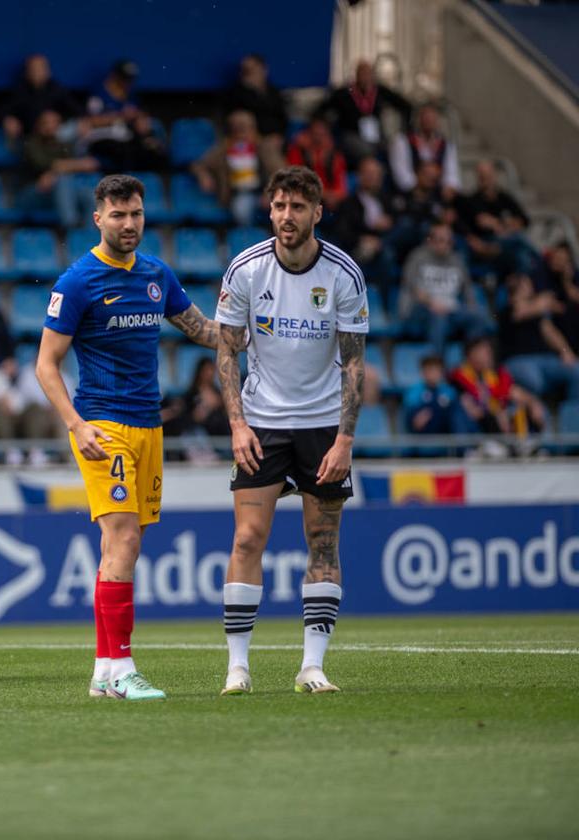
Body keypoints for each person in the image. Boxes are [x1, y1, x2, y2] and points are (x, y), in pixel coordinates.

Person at [35, 174, 219, 701]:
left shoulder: (157, 274)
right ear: (98, 219)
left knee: (119, 545)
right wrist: (75, 423)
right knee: (124, 539)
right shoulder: (78, 281)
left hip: (149, 426)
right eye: (118, 215)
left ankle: (101, 671)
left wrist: (254, 327)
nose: (129, 223)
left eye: (136, 213)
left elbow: (201, 329)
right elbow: (46, 365)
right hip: (102, 425)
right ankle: (123, 669)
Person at [214, 165, 368, 696]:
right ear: (270, 210)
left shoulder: (343, 274)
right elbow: (227, 350)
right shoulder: (247, 270)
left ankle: (312, 666)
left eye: (297, 207)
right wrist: (236, 424)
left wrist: (345, 439)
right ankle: (238, 668)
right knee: (247, 538)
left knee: (322, 541)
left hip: (324, 425)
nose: (286, 216)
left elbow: (353, 364)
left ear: (316, 214)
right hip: (262, 425)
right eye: (279, 206)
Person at [399, 222, 487, 355]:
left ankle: (470, 364)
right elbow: (413, 288)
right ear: (430, 240)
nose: (445, 245)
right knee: (439, 318)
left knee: (478, 317)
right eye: (440, 240)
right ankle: (438, 364)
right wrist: (432, 303)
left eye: (449, 241)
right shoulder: (418, 257)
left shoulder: (457, 260)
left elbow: (467, 290)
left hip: (450, 308)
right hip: (420, 308)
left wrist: (471, 307)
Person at [192, 109, 282, 227]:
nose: (242, 135)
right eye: (237, 130)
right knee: (242, 208)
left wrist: (270, 193)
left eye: (245, 129)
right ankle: (248, 237)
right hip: (240, 194)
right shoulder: (224, 149)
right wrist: (204, 176)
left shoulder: (264, 147)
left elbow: (281, 171)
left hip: (264, 192)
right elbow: (198, 165)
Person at [499, 273, 579, 400]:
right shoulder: (507, 310)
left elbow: (551, 333)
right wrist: (544, 302)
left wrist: (566, 351)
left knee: (576, 370)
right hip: (518, 360)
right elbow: (520, 312)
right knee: (534, 381)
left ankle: (570, 417)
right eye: (526, 283)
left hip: (544, 359)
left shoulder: (538, 311)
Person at [314, 59, 411, 164]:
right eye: (362, 73)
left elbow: (405, 105)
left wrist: (403, 129)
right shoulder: (344, 93)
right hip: (351, 136)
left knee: (396, 147)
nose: (365, 77)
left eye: (368, 73)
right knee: (366, 150)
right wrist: (324, 131)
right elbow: (321, 110)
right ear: (356, 74)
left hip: (376, 136)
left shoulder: (380, 91)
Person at [17, 109, 99, 228]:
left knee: (89, 196)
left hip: (59, 192)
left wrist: (56, 172)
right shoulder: (31, 143)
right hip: (32, 192)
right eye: (46, 123)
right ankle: (71, 225)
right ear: (38, 125)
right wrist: (71, 167)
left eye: (55, 122)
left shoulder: (63, 144)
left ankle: (87, 236)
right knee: (63, 179)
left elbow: (86, 165)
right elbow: (49, 164)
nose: (51, 126)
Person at [458, 160, 538, 280]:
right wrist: (506, 223)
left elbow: (524, 220)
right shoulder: (472, 200)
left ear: (495, 176)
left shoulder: (504, 197)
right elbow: (481, 222)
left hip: (508, 241)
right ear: (477, 177)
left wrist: (500, 225)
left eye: (488, 175)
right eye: (482, 175)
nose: (485, 179)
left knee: (521, 252)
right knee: (520, 243)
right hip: (488, 241)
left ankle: (523, 282)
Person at [331, 156, 400, 294]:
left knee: (390, 250)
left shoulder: (389, 201)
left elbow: (399, 227)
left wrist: (385, 231)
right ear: (359, 176)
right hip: (358, 248)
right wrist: (363, 238)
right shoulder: (348, 203)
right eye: (369, 174)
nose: (373, 178)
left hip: (384, 245)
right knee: (372, 253)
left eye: (376, 174)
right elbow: (342, 232)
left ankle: (384, 303)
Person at [451, 335, 543, 436]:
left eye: (489, 351)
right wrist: (496, 413)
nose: (489, 354)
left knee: (524, 408)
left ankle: (526, 444)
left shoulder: (495, 375)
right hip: (478, 429)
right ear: (471, 354)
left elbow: (515, 393)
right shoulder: (458, 379)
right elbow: (471, 409)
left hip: (500, 423)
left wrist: (533, 403)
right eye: (484, 351)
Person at [0, 53, 83, 142]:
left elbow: (77, 110)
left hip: (56, 138)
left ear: (48, 72)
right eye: (32, 69)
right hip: (29, 138)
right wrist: (7, 119)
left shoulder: (57, 90)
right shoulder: (19, 91)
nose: (36, 73)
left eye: (40, 69)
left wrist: (58, 120)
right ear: (26, 73)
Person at [223, 54, 288, 154]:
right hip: (252, 141)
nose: (248, 74)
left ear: (264, 69)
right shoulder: (237, 93)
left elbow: (282, 118)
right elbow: (237, 121)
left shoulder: (274, 92)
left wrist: (279, 136)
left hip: (276, 139)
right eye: (245, 70)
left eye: (252, 69)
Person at [389, 103, 460, 195]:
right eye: (426, 117)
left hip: (438, 193)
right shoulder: (403, 141)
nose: (429, 121)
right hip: (411, 194)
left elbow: (452, 174)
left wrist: (449, 188)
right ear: (418, 119)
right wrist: (418, 186)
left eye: (432, 118)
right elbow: (401, 173)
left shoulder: (446, 145)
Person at [285, 118, 348, 212]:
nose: (318, 139)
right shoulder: (298, 152)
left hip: (329, 202)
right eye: (315, 134)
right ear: (308, 134)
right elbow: (296, 182)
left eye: (322, 135)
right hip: (305, 199)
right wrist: (324, 195)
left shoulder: (335, 156)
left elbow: (342, 189)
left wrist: (333, 196)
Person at [404, 354, 464, 436]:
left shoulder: (449, 392)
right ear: (422, 372)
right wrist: (414, 422)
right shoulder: (414, 392)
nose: (433, 373)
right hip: (422, 439)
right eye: (429, 369)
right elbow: (411, 419)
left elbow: (455, 418)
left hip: (447, 439)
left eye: (436, 369)